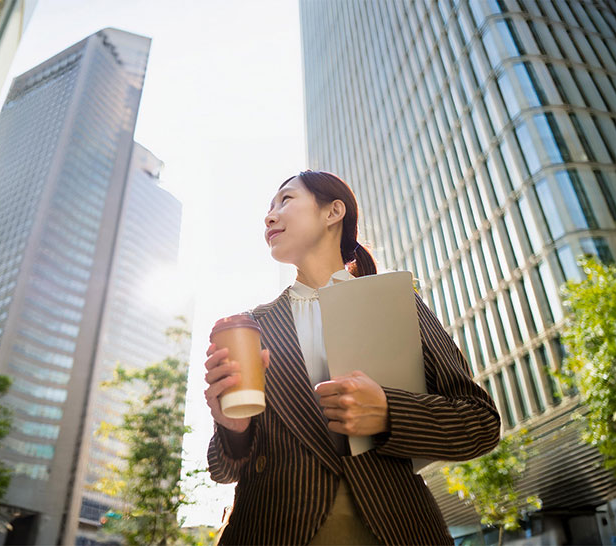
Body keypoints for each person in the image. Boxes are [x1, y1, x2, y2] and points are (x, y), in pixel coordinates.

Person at [204, 170, 500, 545]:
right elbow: (223, 469)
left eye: (286, 200)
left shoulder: (394, 301)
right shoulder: (251, 328)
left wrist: (389, 412)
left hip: (394, 528)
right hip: (272, 528)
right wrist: (233, 429)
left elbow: (480, 423)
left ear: (333, 212)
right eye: (268, 208)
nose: (270, 215)